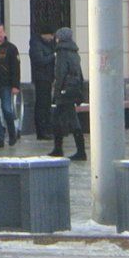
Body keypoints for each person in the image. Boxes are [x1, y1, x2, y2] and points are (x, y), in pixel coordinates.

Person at [47, 26, 88, 161]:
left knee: (62, 119)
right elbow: (79, 73)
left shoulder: (61, 52)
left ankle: (75, 151)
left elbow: (60, 73)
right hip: (72, 89)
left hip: (64, 91)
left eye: (57, 36)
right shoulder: (74, 51)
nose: (55, 38)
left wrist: (57, 92)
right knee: (63, 118)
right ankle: (60, 148)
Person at [28, 26, 57, 141]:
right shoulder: (36, 45)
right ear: (45, 34)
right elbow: (40, 60)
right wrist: (53, 56)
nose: (52, 38)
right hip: (41, 78)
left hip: (48, 78)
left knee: (46, 105)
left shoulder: (49, 44)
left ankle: (47, 129)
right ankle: (41, 131)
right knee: (42, 105)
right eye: (51, 35)